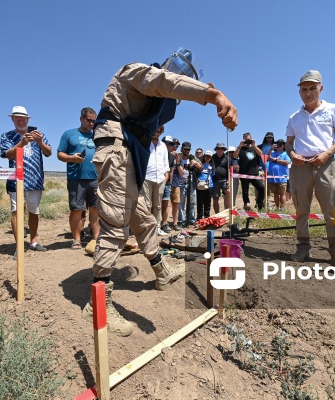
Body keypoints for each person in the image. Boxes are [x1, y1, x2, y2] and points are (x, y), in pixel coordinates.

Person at [81, 47, 237, 336]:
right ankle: (98, 301)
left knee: (143, 219)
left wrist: (204, 90)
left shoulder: (159, 98)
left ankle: (161, 270)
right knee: (115, 224)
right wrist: (213, 95)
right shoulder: (136, 71)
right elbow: (166, 82)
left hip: (129, 155)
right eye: (178, 70)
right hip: (116, 150)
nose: (178, 75)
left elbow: (170, 93)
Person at [285, 70, 335, 266]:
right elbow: (288, 143)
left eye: (312, 88)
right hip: (300, 167)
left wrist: (327, 154)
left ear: (321, 88)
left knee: (332, 210)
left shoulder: (333, 109)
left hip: (326, 164)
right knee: (301, 210)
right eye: (304, 89)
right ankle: (303, 247)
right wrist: (292, 154)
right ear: (299, 92)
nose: (308, 93)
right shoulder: (294, 117)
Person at [0, 106, 52, 257]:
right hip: (15, 180)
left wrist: (40, 142)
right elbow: (7, 155)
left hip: (35, 179)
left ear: (27, 120)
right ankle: (19, 245)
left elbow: (48, 152)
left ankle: (33, 241)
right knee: (16, 211)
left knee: (34, 211)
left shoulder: (39, 134)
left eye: (23, 119)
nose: (21, 122)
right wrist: (21, 143)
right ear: (12, 119)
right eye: (18, 119)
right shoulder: (7, 136)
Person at [57, 107, 99, 250]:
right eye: (88, 120)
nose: (91, 124)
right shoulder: (69, 134)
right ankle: (76, 240)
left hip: (95, 177)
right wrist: (72, 158)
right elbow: (60, 154)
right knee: (76, 209)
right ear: (81, 118)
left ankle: (97, 239)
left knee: (95, 208)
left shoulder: (97, 136)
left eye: (93, 121)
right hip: (76, 178)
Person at [142, 125, 170, 236]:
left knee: (157, 205)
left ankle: (157, 227)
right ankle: (147, 228)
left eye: (158, 131)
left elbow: (165, 162)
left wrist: (166, 175)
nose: (156, 133)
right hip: (147, 177)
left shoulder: (163, 145)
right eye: (155, 131)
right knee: (147, 204)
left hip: (160, 178)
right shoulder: (145, 142)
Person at [232, 132, 265, 210]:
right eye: (246, 140)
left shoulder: (254, 148)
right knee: (245, 191)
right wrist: (239, 146)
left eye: (249, 140)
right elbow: (234, 156)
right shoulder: (240, 148)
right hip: (244, 174)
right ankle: (247, 206)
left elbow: (260, 154)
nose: (247, 141)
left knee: (262, 188)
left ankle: (260, 205)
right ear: (243, 140)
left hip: (254, 173)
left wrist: (254, 145)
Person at [177, 141, 201, 227]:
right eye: (185, 149)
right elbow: (179, 171)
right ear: (182, 149)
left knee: (192, 202)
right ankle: (182, 220)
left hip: (191, 181)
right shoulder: (178, 157)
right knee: (181, 203)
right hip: (181, 182)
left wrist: (195, 163)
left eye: (188, 149)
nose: (187, 151)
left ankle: (191, 219)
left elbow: (201, 167)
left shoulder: (192, 157)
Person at [266, 139, 291, 211]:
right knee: (275, 194)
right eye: (278, 144)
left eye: (281, 144)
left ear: (283, 146)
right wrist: (271, 149)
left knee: (282, 194)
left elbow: (287, 162)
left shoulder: (285, 153)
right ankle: (277, 208)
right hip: (272, 178)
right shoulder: (272, 153)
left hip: (282, 178)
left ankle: (282, 208)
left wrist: (276, 160)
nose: (279, 146)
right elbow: (266, 158)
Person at [159, 135, 177, 233]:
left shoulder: (171, 157)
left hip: (167, 183)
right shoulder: (156, 153)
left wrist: (170, 183)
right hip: (156, 181)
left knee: (166, 203)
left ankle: (164, 223)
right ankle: (155, 224)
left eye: (171, 144)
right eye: (167, 143)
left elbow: (172, 171)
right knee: (155, 204)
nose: (168, 146)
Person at [168, 137, 184, 231]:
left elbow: (181, 172)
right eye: (174, 145)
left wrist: (177, 162)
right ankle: (163, 223)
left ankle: (175, 223)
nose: (175, 147)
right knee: (164, 204)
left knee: (175, 204)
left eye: (177, 146)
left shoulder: (178, 157)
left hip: (176, 183)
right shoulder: (165, 154)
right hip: (166, 182)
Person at [211, 142, 230, 213]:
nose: (220, 150)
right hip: (215, 181)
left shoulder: (227, 158)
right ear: (216, 149)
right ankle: (217, 214)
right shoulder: (212, 157)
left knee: (228, 192)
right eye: (218, 148)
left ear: (224, 150)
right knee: (215, 198)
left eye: (222, 149)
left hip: (224, 180)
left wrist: (228, 180)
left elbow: (229, 170)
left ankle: (227, 211)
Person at [196, 150, 214, 220]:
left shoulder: (212, 166)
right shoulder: (200, 164)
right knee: (200, 202)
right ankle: (199, 217)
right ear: (204, 156)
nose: (207, 158)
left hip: (209, 185)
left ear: (211, 158)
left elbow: (213, 174)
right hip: (200, 185)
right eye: (206, 156)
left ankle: (207, 217)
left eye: (209, 157)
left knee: (207, 202)